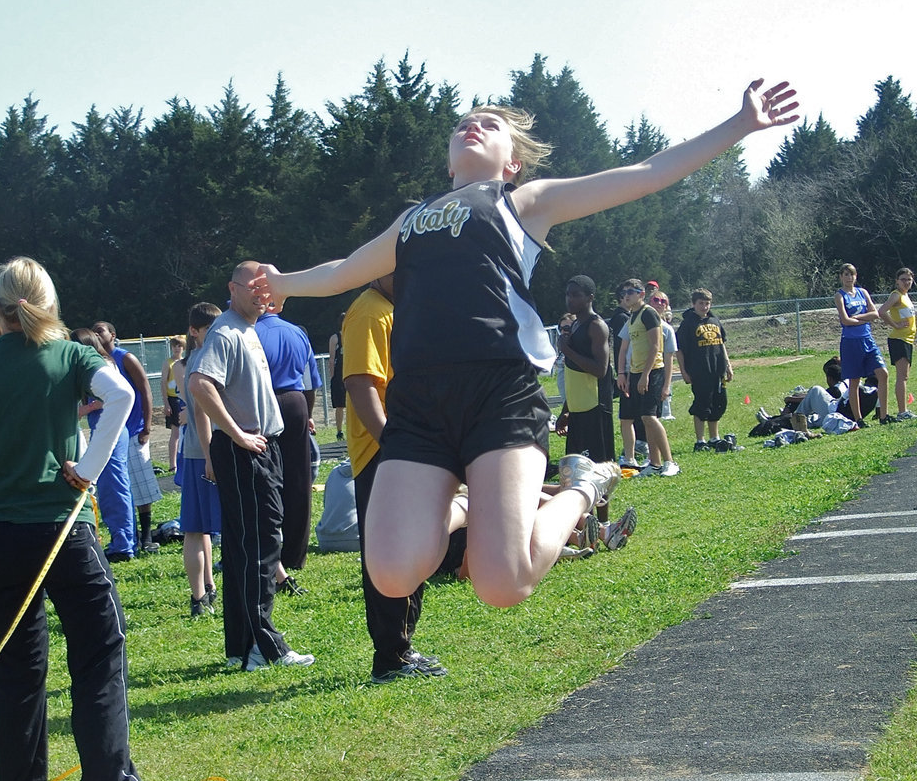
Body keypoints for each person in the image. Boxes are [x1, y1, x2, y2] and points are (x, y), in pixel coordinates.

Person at [255, 78, 798, 608]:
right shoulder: (412, 220)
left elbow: (646, 173)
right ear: (448, 162)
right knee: (393, 574)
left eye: (489, 124)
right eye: (464, 124)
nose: (473, 126)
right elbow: (345, 270)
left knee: (503, 583)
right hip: (419, 402)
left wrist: (741, 124)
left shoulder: (525, 203)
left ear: (511, 161)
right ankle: (468, 495)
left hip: (499, 393)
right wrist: (283, 283)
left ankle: (582, 488)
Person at [0, 256, 175, 781]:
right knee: (97, 661)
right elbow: (121, 400)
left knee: (17, 667)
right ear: (48, 303)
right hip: (61, 530)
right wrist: (87, 469)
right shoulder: (72, 355)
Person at [186, 261, 315, 671]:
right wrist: (237, 435)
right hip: (246, 452)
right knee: (259, 546)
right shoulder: (225, 331)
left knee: (247, 548)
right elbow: (200, 384)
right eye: (254, 287)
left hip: (260, 447)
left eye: (266, 288)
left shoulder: (249, 329)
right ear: (232, 288)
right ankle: (265, 646)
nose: (262, 295)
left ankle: (240, 648)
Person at [343, 273, 451, 683]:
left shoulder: (395, 308)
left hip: (408, 449)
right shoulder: (370, 312)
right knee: (391, 552)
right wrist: (392, 444)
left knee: (412, 547)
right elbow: (360, 384)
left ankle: (402, 647)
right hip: (384, 453)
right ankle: (390, 656)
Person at [253, 311, 320, 580]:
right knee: (299, 479)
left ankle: (269, 548)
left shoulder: (249, 331)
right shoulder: (297, 332)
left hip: (265, 401)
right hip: (296, 402)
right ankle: (295, 553)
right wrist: (308, 413)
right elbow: (310, 381)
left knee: (266, 479)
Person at [92, 321, 163, 553]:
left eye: (100, 330)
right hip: (116, 431)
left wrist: (147, 426)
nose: (96, 334)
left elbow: (145, 389)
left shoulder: (125, 358)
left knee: (142, 487)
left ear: (112, 334)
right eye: (93, 331)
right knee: (125, 484)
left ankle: (145, 536)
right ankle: (132, 535)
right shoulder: (98, 363)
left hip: (134, 428)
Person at [554, 276, 618, 516]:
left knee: (598, 469)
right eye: (568, 294)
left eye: (576, 295)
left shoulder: (596, 325)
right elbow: (573, 373)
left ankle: (602, 522)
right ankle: (583, 520)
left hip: (595, 407)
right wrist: (565, 411)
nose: (570, 299)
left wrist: (567, 349)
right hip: (578, 408)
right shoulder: (575, 326)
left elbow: (600, 369)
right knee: (575, 468)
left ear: (590, 297)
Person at [72, 329, 137, 563]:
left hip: (112, 428)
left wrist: (86, 408)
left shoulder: (104, 365)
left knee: (114, 485)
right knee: (113, 485)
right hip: (103, 426)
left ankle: (124, 542)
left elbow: (109, 398)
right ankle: (123, 538)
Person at [177, 303, 222, 618]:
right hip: (202, 453)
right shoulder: (196, 361)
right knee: (194, 528)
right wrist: (209, 456)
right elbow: (199, 412)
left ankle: (209, 588)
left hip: (202, 450)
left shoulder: (200, 359)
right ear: (194, 331)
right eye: (210, 328)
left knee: (203, 529)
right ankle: (198, 597)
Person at [615, 279, 680, 475]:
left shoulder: (648, 313)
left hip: (653, 371)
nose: (627, 295)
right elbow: (625, 347)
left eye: (631, 291)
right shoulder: (632, 316)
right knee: (644, 418)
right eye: (624, 292)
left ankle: (670, 462)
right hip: (635, 372)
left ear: (642, 294)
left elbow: (655, 346)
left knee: (650, 417)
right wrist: (623, 374)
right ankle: (655, 463)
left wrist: (645, 376)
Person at [675, 288, 741, 452]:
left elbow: (721, 343)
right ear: (694, 304)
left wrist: (728, 365)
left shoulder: (714, 320)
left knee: (719, 403)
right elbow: (680, 349)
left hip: (716, 369)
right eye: (701, 303)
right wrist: (683, 371)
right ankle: (700, 441)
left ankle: (714, 438)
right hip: (699, 370)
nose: (704, 307)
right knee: (702, 404)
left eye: (707, 303)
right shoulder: (688, 323)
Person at [833, 264, 891, 427]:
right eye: (845, 274)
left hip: (867, 339)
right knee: (854, 381)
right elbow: (845, 320)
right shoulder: (840, 295)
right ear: (841, 277)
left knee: (883, 373)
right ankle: (858, 419)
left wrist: (858, 318)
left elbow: (875, 314)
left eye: (851, 274)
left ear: (856, 276)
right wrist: (863, 319)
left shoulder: (862, 292)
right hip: (851, 342)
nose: (849, 278)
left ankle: (884, 415)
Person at [877, 267, 917, 421]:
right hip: (899, 340)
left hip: (907, 340)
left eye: (909, 279)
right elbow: (881, 311)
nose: (906, 282)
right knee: (901, 377)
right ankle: (902, 411)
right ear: (897, 281)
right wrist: (895, 324)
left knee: (905, 376)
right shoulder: (896, 295)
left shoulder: (906, 296)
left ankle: (903, 410)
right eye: (903, 279)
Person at [648, 288, 677, 420]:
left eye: (663, 301)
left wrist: (666, 384)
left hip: (659, 369)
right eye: (656, 300)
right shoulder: (637, 323)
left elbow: (669, 358)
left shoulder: (667, 329)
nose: (659, 303)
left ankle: (666, 412)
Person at [161, 335, 185, 473]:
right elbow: (163, 382)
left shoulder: (185, 362)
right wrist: (166, 404)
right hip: (173, 399)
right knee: (175, 433)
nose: (177, 348)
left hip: (183, 399)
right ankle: (172, 464)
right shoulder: (168, 363)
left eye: (180, 346)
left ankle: (182, 462)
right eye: (175, 346)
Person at [327, 313, 347, 442]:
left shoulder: (354, 335)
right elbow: (332, 358)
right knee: (340, 405)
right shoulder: (335, 338)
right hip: (339, 374)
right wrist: (333, 375)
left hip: (351, 372)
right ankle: (339, 431)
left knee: (353, 404)